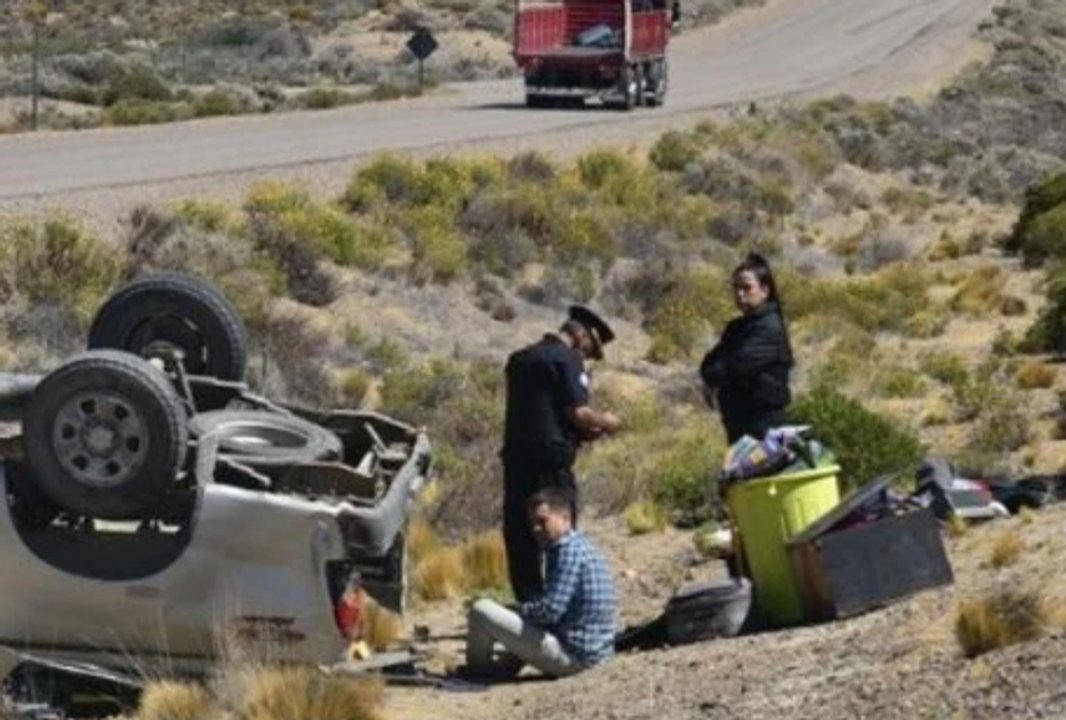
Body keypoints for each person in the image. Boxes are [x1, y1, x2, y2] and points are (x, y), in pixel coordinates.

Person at [501, 305, 622, 602]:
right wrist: (606, 422)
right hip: (551, 460)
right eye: (590, 349)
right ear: (582, 337)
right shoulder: (567, 359)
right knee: (558, 526)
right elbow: (579, 414)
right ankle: (561, 598)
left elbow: (542, 410)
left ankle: (529, 600)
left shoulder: (520, 359)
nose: (587, 357)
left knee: (520, 531)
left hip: (516, 458)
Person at [465, 488, 617, 679]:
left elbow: (550, 613)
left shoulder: (568, 552)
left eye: (543, 521)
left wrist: (515, 610)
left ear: (565, 518)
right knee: (523, 621)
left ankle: (476, 673)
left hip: (577, 658)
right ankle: (498, 670)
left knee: (481, 610)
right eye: (533, 523)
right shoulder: (579, 547)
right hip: (593, 653)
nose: (536, 528)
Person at [699, 253, 794, 444]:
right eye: (736, 288)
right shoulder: (737, 328)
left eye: (747, 288)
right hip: (739, 427)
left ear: (765, 290)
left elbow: (734, 366)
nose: (740, 294)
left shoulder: (769, 328)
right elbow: (709, 364)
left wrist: (716, 373)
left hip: (765, 428)